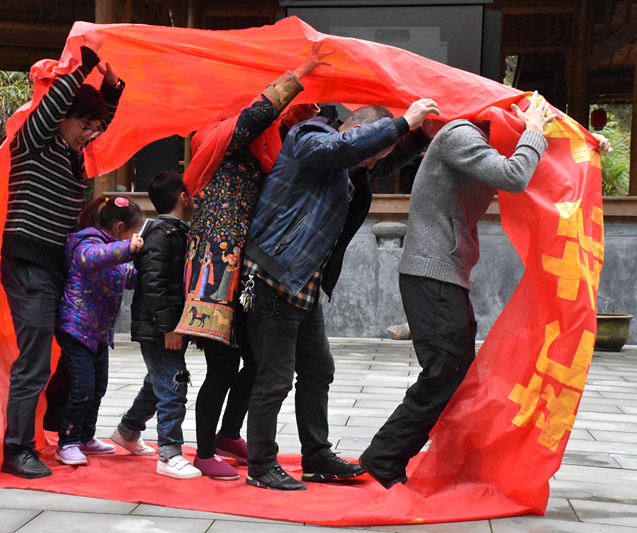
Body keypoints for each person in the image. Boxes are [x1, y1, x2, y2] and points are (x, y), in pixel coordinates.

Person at [358, 93, 612, 489]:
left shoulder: (481, 139)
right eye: (522, 119)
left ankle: (414, 456)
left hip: (445, 273)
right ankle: (383, 459)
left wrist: (585, 143)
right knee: (444, 370)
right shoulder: (459, 135)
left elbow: (540, 162)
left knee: (453, 372)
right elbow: (514, 176)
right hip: (431, 272)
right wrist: (533, 132)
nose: (527, 125)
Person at [242, 97, 441, 490]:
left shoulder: (350, 162)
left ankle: (316, 458)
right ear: (358, 129)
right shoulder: (310, 135)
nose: (371, 164)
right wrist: (404, 122)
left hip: (304, 282)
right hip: (273, 274)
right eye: (371, 153)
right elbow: (343, 149)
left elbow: (377, 159)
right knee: (275, 378)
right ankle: (260, 465)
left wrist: (420, 136)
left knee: (319, 370)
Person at [175, 43, 333, 481]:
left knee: (258, 361)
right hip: (215, 267)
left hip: (246, 268)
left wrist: (296, 117)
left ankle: (228, 434)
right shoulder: (217, 139)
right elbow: (255, 117)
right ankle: (204, 451)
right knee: (222, 366)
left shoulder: (262, 147)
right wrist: (299, 72)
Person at [0, 44, 124, 479]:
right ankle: (17, 449)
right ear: (61, 117)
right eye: (83, 125)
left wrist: (111, 90)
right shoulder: (34, 141)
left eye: (93, 128)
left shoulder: (75, 155)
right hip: (28, 263)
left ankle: (63, 432)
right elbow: (53, 106)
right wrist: (83, 65)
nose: (89, 134)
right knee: (34, 360)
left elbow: (99, 124)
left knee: (69, 354)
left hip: (58, 268)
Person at [111, 171, 199, 479]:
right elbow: (154, 285)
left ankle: (128, 430)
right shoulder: (162, 235)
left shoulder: (175, 231)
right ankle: (169, 453)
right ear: (184, 197)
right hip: (160, 327)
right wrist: (168, 327)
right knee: (174, 383)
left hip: (169, 324)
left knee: (158, 380)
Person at [50, 197, 143, 466]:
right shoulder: (87, 243)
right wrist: (128, 248)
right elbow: (92, 259)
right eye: (133, 233)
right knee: (82, 389)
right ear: (120, 227)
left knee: (97, 388)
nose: (135, 238)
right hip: (77, 329)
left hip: (99, 333)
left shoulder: (114, 250)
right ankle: (67, 442)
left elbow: (128, 277)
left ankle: (85, 438)